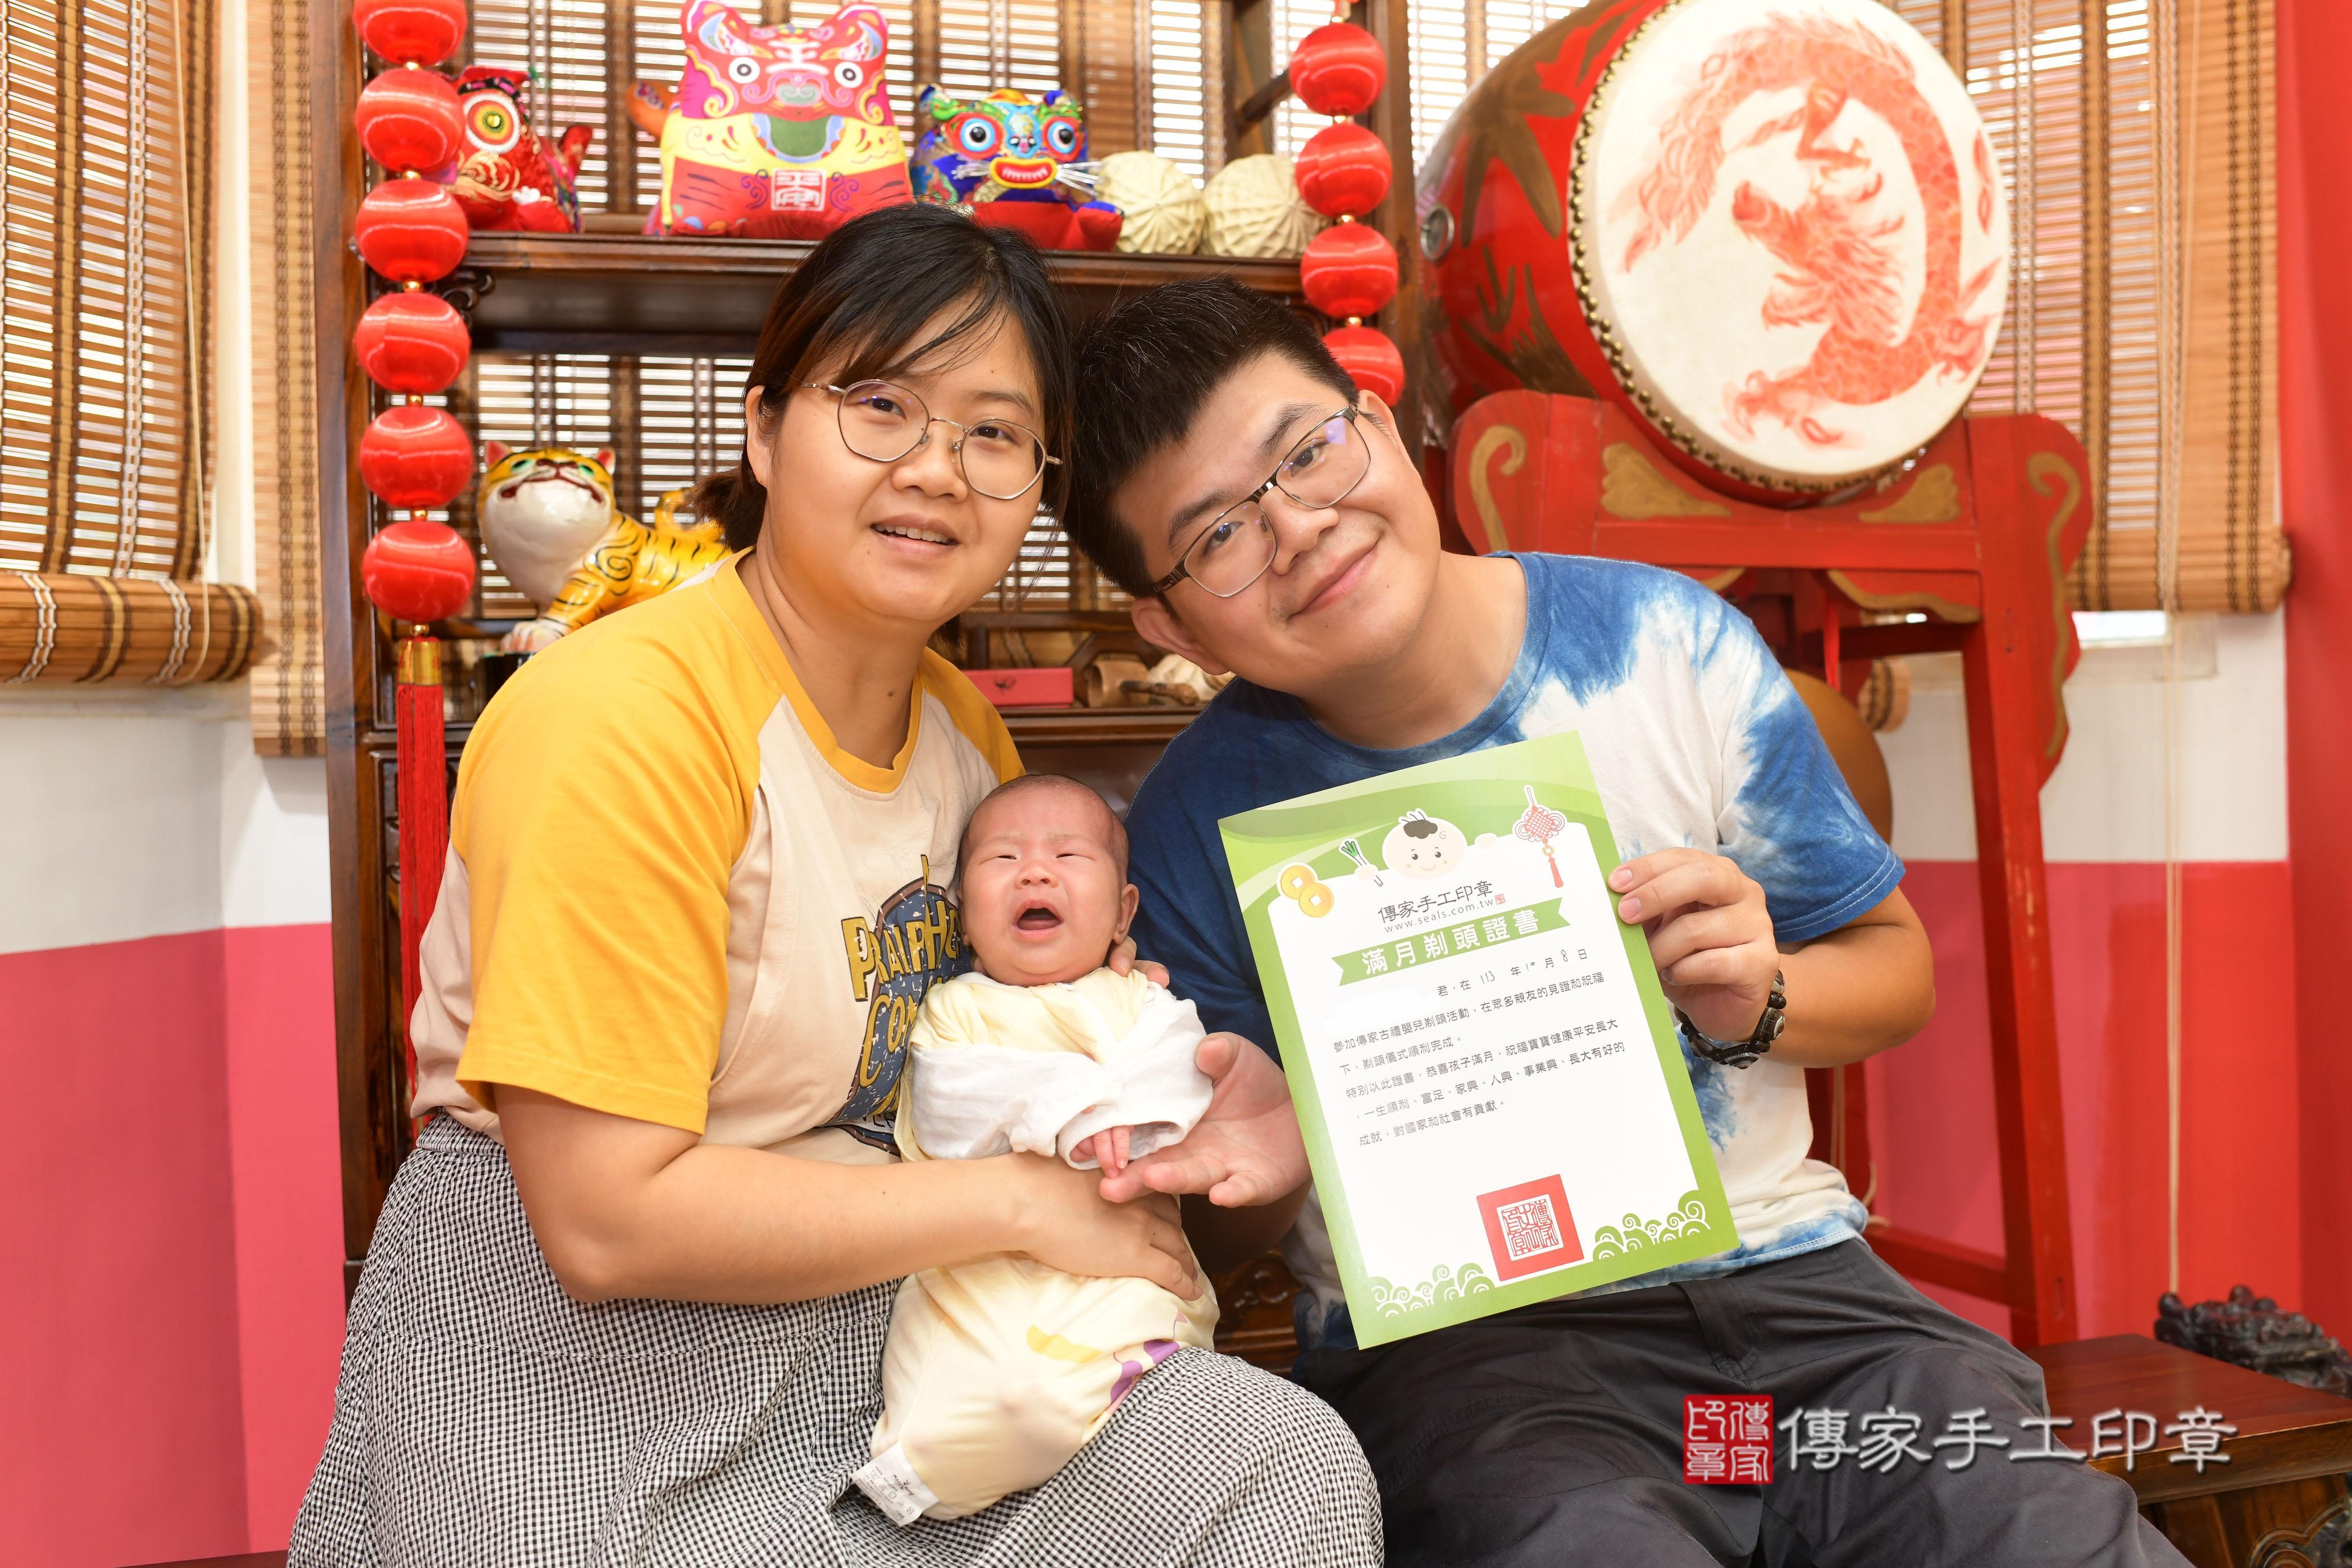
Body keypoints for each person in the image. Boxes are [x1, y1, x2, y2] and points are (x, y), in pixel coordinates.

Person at [289, 212, 1379, 1568]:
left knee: (1275, 1465)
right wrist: (1022, 1204)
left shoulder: (965, 735)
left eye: (994, 432)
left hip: (892, 1320)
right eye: (881, 405)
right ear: (765, 430)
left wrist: (1126, 1055)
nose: (935, 468)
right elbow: (604, 1220)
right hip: (578, 1357)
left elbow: (1001, 1026)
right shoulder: (621, 717)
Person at [1062, 276, 2187, 1568]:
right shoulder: (1196, 825)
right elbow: (1208, 1230)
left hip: (1805, 1304)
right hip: (1479, 1361)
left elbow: (1896, 970)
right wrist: (1280, 1147)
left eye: (1309, 451)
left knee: (2041, 1530)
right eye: (1219, 534)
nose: (1302, 529)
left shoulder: (1666, 645)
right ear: (1169, 622)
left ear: (1379, 421)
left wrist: (1762, 993)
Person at [859, 774, 1220, 1525]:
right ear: (963, 919)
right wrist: (1076, 1109)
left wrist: (1135, 1117)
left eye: (1068, 855)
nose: (1034, 872)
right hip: (982, 1260)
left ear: (1123, 913)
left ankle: (1116, 1405)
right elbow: (951, 1109)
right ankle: (917, 1475)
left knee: (1139, 1336)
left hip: (1121, 1247)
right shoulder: (955, 1012)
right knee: (994, 1390)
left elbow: (1180, 1072)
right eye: (1003, 859)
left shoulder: (1142, 1001)